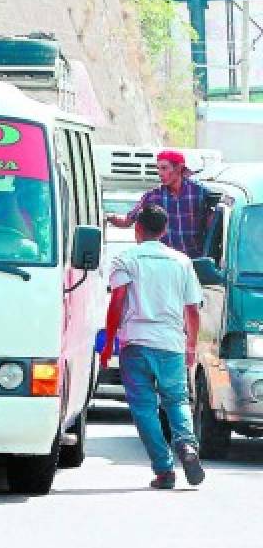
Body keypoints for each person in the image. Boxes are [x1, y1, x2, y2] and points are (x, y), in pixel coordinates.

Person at [100, 203, 206, 490]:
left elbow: (117, 302)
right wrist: (191, 346)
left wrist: (109, 343)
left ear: (137, 228)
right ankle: (187, 445)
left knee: (144, 409)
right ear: (165, 230)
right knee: (177, 401)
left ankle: (164, 470)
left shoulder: (126, 259)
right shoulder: (182, 262)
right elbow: (193, 310)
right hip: (171, 343)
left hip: (135, 343)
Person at [106, 149, 211, 259]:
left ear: (179, 168)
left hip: (195, 262)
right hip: (165, 261)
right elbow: (127, 221)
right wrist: (107, 217)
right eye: (158, 169)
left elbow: (213, 225)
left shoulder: (200, 192)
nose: (160, 173)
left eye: (164, 168)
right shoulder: (153, 196)